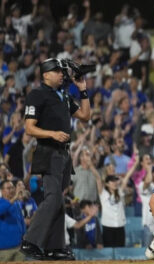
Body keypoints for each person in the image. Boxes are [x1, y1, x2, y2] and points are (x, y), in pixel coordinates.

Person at [20, 58, 91, 260]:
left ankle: (54, 247)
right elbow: (29, 127)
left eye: (62, 71)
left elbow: (85, 116)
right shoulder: (37, 94)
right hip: (48, 150)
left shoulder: (65, 96)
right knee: (53, 198)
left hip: (64, 153)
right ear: (46, 74)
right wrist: (52, 134)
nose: (62, 74)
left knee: (59, 200)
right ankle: (30, 241)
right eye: (57, 71)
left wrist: (83, 90)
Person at [0, 180, 25, 261]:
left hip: (19, 248)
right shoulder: (1, 202)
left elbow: (21, 221)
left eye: (12, 188)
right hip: (4, 251)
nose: (11, 190)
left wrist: (24, 236)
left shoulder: (16, 203)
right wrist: (14, 198)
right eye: (8, 188)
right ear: (2, 190)